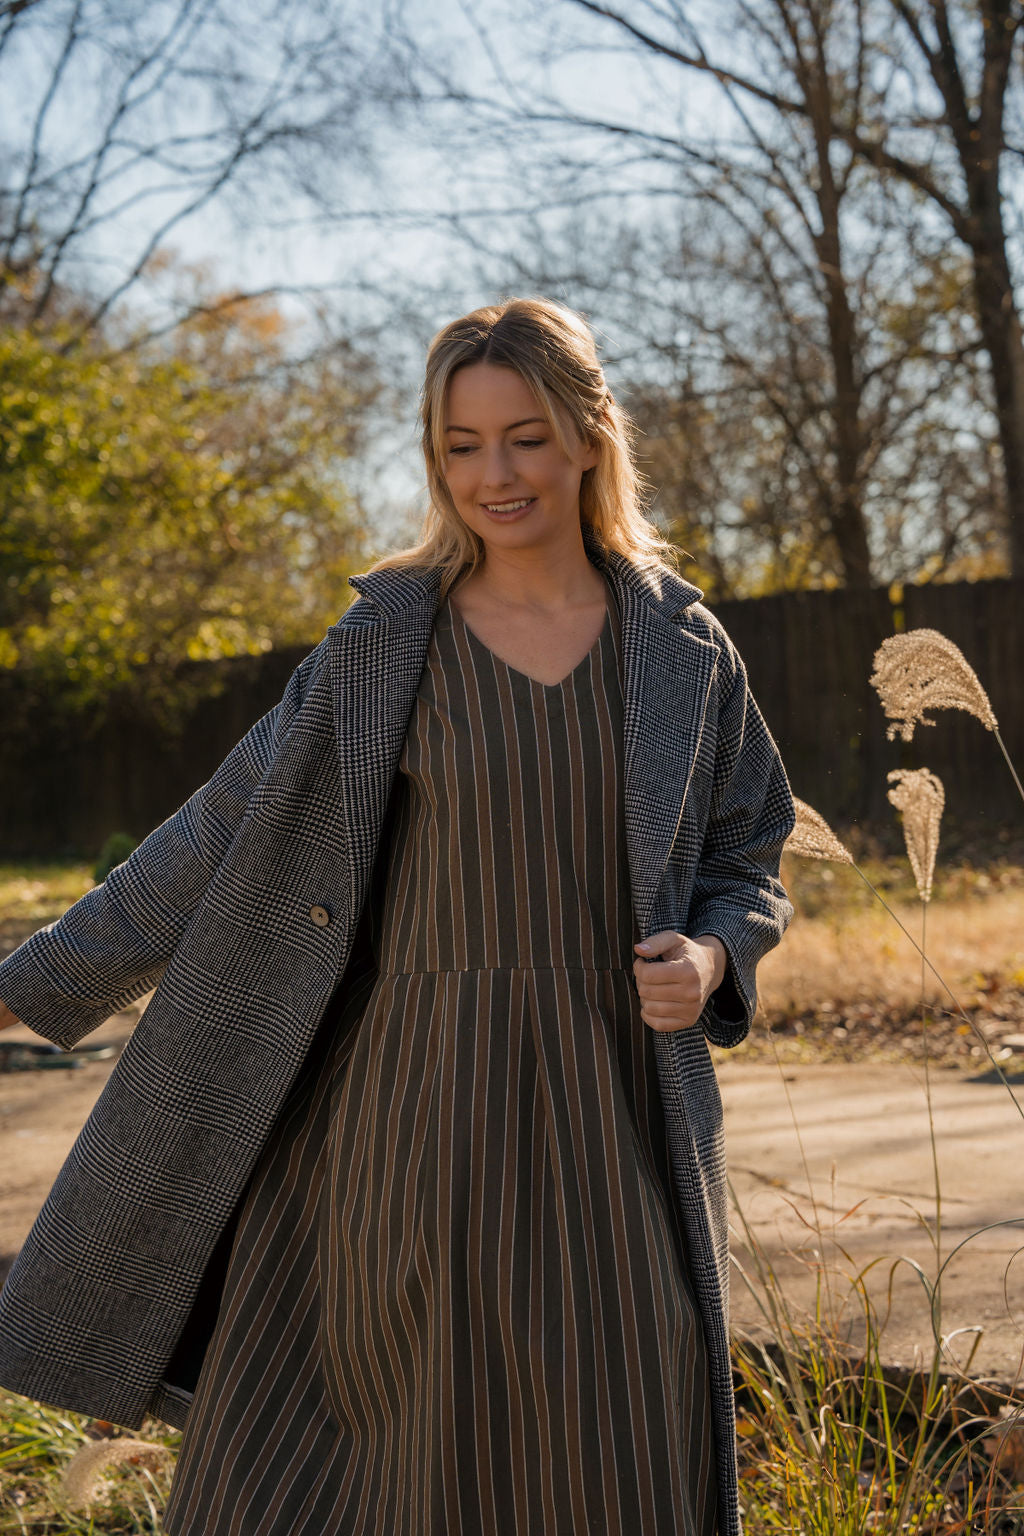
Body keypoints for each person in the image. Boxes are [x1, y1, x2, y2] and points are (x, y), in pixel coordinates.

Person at [0, 297, 794, 1536]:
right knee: (379, 1451)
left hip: (613, 1106)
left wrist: (714, 952)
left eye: (524, 437)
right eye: (461, 445)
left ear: (589, 437)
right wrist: (37, 979)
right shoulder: (382, 647)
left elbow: (751, 849)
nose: (495, 473)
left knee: (624, 1417)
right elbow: (223, 825)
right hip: (395, 1111)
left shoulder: (682, 649)